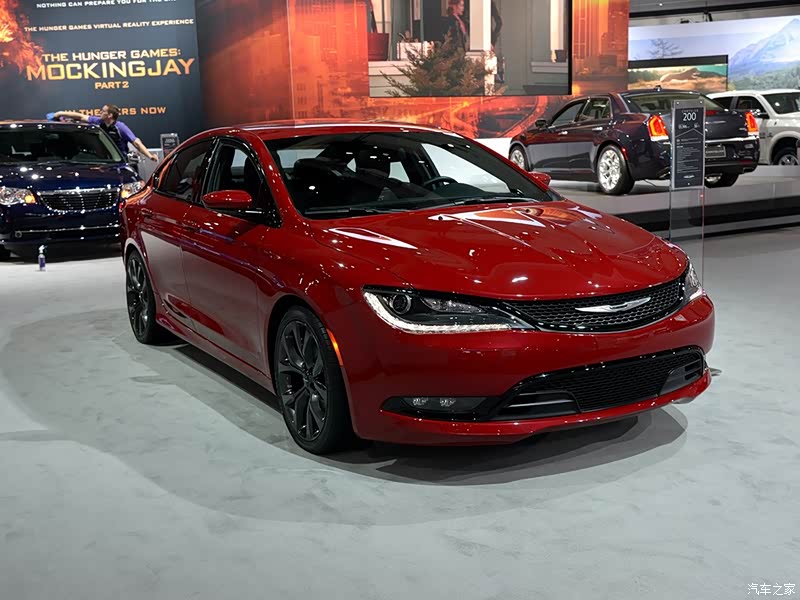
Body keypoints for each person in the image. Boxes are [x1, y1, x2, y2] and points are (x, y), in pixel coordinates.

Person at [47, 105, 158, 162]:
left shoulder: (120, 127)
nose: (100, 112)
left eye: (103, 111)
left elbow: (136, 142)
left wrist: (150, 156)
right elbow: (80, 116)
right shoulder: (98, 122)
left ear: (110, 115)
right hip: (103, 161)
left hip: (119, 161)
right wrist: (60, 113)